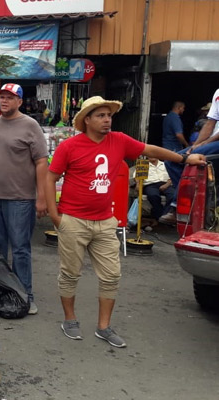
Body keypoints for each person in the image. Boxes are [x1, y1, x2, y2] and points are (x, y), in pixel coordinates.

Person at [46, 96, 205, 348]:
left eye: (109, 115)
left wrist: (185, 159)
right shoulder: (70, 146)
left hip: (104, 222)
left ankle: (104, 327)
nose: (107, 119)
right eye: (100, 115)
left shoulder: (118, 140)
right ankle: (69, 319)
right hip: (73, 220)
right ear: (87, 120)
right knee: (70, 274)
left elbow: (150, 150)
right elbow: (50, 176)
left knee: (111, 276)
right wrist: (54, 215)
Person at [0, 84, 48, 315]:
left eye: (10, 97)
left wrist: (42, 198)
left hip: (20, 197)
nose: (4, 101)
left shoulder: (30, 125)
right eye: (1, 97)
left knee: (20, 248)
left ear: (20, 101)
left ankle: (26, 295)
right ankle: (3, 294)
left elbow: (41, 162)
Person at [163, 88, 219, 224]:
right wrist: (196, 145)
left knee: (193, 157)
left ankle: (176, 207)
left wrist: (204, 144)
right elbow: (210, 124)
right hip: (212, 141)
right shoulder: (218, 93)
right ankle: (188, 196)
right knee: (171, 160)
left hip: (216, 141)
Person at [135, 157, 174, 224]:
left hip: (165, 183)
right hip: (150, 184)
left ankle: (164, 215)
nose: (152, 157)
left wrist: (166, 185)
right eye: (150, 155)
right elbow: (138, 178)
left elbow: (172, 177)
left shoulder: (165, 164)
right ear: (147, 156)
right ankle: (159, 216)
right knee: (153, 195)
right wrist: (138, 184)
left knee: (173, 195)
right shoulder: (143, 164)